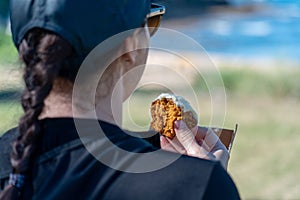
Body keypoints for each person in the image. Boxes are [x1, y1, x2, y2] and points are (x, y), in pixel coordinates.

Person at [0, 0, 240, 199]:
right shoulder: (194, 185)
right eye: (152, 20)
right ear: (131, 47)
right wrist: (203, 184)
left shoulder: (12, 168)